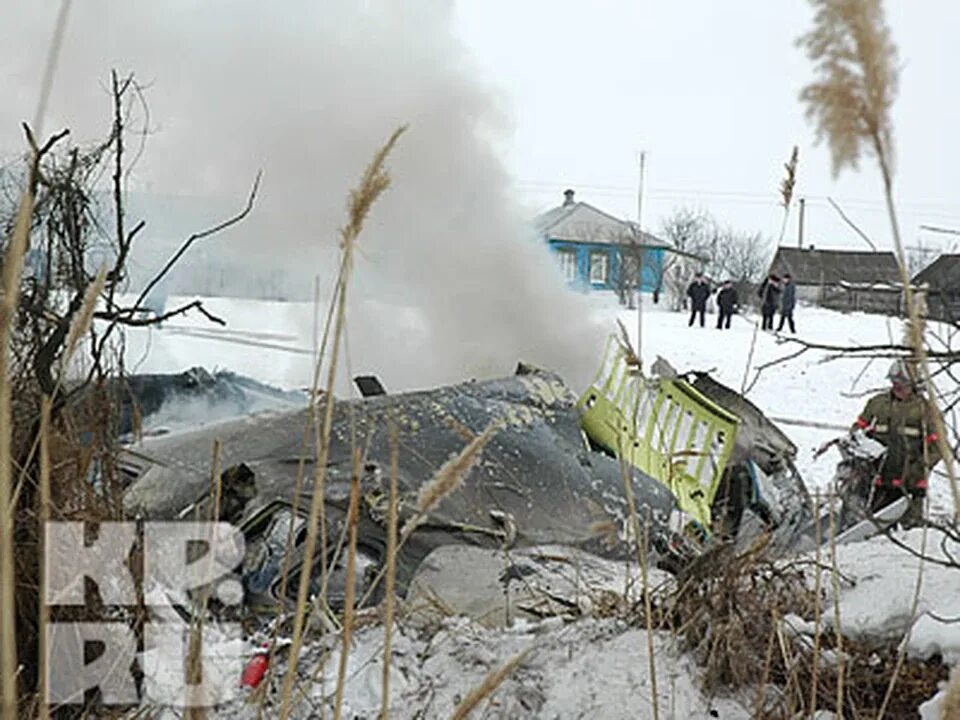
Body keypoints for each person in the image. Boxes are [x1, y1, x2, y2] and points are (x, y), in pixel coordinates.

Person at [851, 359, 941, 527]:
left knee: (908, 533)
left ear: (914, 384)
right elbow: (857, 431)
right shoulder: (877, 404)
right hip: (877, 482)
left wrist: (917, 471)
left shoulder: (926, 410)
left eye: (903, 384)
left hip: (909, 487)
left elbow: (938, 449)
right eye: (894, 382)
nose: (897, 387)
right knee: (870, 529)